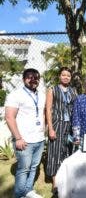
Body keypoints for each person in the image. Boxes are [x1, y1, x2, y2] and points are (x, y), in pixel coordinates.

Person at [5, 68, 45, 198]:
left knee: (34, 167)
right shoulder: (15, 95)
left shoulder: (41, 95)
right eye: (29, 77)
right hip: (24, 140)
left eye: (36, 77)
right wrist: (18, 138)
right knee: (23, 170)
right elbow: (9, 117)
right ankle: (19, 195)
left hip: (39, 138)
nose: (33, 79)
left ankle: (28, 190)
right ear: (23, 79)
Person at [45, 67, 77, 194]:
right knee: (55, 153)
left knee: (69, 152)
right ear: (59, 76)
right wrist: (51, 129)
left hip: (70, 125)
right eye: (63, 75)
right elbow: (48, 109)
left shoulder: (73, 90)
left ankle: (68, 180)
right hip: (57, 124)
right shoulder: (52, 89)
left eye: (68, 75)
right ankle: (55, 183)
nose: (66, 77)